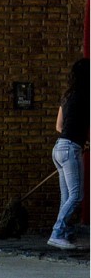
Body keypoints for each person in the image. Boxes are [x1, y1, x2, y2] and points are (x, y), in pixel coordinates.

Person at [48, 58, 90, 250]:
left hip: (59, 148)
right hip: (71, 149)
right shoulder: (86, 96)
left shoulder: (67, 96)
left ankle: (63, 233)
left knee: (66, 196)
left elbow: (59, 126)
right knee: (76, 196)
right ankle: (57, 233)